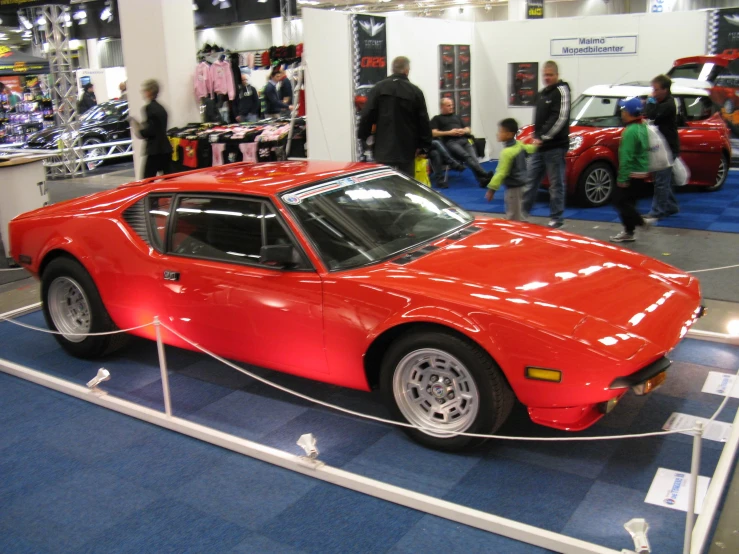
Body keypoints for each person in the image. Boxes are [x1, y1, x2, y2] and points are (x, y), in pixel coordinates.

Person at [358, 56, 432, 178]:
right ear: (407, 70)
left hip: (383, 147)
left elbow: (367, 115)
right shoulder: (415, 91)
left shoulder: (378, 89)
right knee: (407, 185)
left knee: (384, 183)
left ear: (392, 69)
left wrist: (364, 136)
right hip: (407, 147)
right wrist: (424, 146)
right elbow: (423, 121)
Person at [522, 60, 571, 229]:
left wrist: (544, 136)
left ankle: (557, 219)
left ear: (557, 75)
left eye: (550, 75)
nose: (547, 78)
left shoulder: (562, 91)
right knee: (530, 181)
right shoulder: (542, 94)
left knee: (556, 184)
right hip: (540, 147)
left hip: (555, 147)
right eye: (545, 75)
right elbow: (539, 120)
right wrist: (536, 136)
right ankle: (522, 215)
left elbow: (560, 118)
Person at [610, 97, 650, 243]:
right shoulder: (642, 126)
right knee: (630, 201)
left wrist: (622, 178)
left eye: (624, 109)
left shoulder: (630, 131)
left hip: (632, 173)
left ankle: (640, 222)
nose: (622, 112)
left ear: (629, 112)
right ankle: (629, 231)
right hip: (642, 171)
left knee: (618, 200)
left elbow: (626, 157)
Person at [429, 98, 492, 188]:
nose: (451, 107)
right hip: (451, 142)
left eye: (452, 105)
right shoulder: (437, 119)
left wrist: (463, 131)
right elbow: (433, 133)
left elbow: (468, 129)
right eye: (448, 105)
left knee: (473, 158)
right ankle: (484, 174)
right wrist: (449, 132)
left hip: (464, 140)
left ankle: (482, 180)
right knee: (466, 156)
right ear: (442, 107)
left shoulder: (457, 117)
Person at [484, 118, 537, 221]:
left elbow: (500, 173)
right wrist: (538, 146)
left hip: (514, 189)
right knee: (520, 213)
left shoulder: (507, 152)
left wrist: (491, 190)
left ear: (509, 134)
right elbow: (529, 149)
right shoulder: (519, 145)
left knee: (513, 217)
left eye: (500, 131)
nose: (497, 134)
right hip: (524, 185)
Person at [644, 74, 680, 222]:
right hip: (662, 146)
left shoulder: (668, 105)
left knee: (661, 181)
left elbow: (651, 115)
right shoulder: (664, 102)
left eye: (656, 89)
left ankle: (657, 211)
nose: (653, 92)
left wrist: (649, 102)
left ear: (665, 90)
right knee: (663, 179)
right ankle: (671, 206)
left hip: (667, 147)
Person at [129, 79, 172, 179]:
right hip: (165, 148)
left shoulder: (149, 108)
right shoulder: (162, 108)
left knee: (146, 180)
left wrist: (137, 127)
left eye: (145, 90)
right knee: (168, 179)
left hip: (154, 150)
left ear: (149, 92)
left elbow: (149, 131)